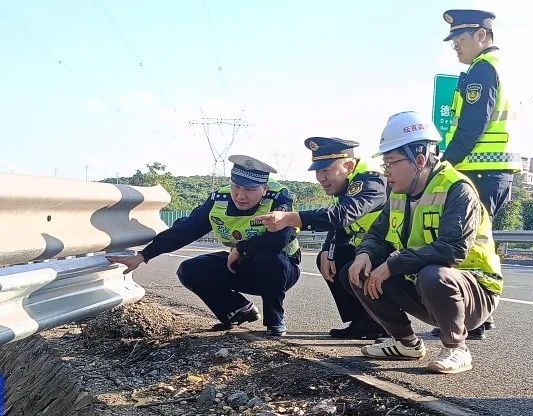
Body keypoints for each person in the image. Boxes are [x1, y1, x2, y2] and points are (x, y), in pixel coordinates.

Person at [342, 111, 504, 374]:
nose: (387, 172)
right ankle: (406, 343)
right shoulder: (398, 193)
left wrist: (392, 265)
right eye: (385, 164)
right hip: (422, 286)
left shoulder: (456, 189)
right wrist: (365, 254)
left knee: (434, 274)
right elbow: (377, 235)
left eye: (392, 163)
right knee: (358, 271)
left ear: (419, 160)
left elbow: (452, 249)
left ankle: (457, 348)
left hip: (472, 290)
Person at [107, 155, 301, 337]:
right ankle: (237, 311)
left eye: (250, 190)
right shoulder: (219, 200)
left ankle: (274, 321)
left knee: (269, 258)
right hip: (240, 264)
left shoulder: (279, 197)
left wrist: (242, 249)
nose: (240, 196)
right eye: (236, 187)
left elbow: (279, 240)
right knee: (190, 270)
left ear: (264, 189)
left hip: (281, 269)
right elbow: (186, 230)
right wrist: (143, 255)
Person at [434, 9, 523, 337]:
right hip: (492, 172)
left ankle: (474, 319)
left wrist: (445, 165)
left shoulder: (483, 70)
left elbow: (472, 125)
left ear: (482, 36)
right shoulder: (496, 68)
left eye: (459, 38)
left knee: (467, 243)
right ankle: (477, 318)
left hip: (479, 172)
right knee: (477, 243)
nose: (454, 45)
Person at [254, 137, 388, 339]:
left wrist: (290, 218)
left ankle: (387, 323)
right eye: (318, 171)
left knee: (349, 270)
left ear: (349, 165)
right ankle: (364, 322)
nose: (320, 178)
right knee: (329, 258)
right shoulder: (346, 184)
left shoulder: (371, 181)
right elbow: (340, 225)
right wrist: (328, 249)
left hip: (390, 250)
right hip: (369, 249)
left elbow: (343, 215)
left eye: (326, 170)